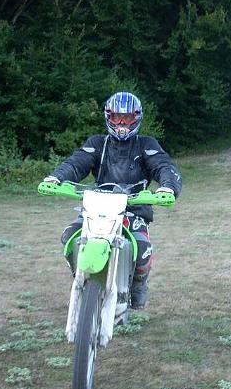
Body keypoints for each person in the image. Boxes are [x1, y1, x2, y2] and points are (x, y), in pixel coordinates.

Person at [43, 91, 182, 309]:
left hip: (133, 208)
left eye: (127, 118)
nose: (121, 123)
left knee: (143, 248)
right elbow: (76, 163)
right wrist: (56, 177)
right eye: (116, 117)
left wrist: (168, 187)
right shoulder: (97, 143)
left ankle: (138, 287)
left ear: (137, 118)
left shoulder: (147, 144)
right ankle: (83, 276)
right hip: (98, 207)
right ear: (108, 117)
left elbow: (164, 166)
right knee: (69, 235)